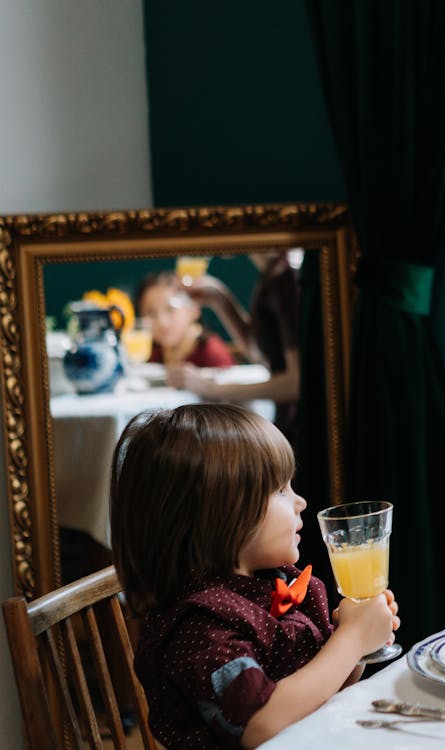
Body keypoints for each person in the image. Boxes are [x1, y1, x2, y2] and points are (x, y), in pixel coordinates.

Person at [110, 404, 400, 748]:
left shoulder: (272, 583)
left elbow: (313, 700)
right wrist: (349, 640)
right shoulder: (199, 626)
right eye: (280, 490)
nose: (300, 502)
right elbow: (262, 724)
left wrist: (358, 646)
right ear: (220, 513)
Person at [168, 250, 300, 442]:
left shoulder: (284, 277)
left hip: (298, 427)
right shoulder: (273, 271)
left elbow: (295, 383)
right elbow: (260, 353)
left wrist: (212, 388)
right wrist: (219, 299)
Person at [135, 271, 235, 369]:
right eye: (151, 313)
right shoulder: (149, 353)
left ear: (194, 309)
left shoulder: (213, 353)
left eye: (171, 309)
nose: (162, 323)